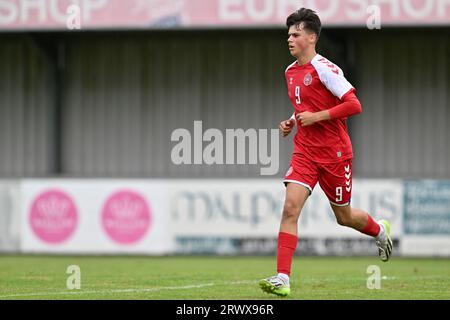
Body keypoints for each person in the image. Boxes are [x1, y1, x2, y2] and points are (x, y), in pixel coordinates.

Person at [259, 8, 393, 297]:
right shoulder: (290, 72)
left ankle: (379, 230)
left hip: (335, 155)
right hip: (305, 153)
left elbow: (354, 104)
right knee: (290, 208)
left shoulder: (326, 69)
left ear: (311, 37)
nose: (289, 39)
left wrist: (317, 117)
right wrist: (291, 121)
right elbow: (302, 107)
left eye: (295, 35)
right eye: (288, 35)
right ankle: (283, 277)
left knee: (344, 217)